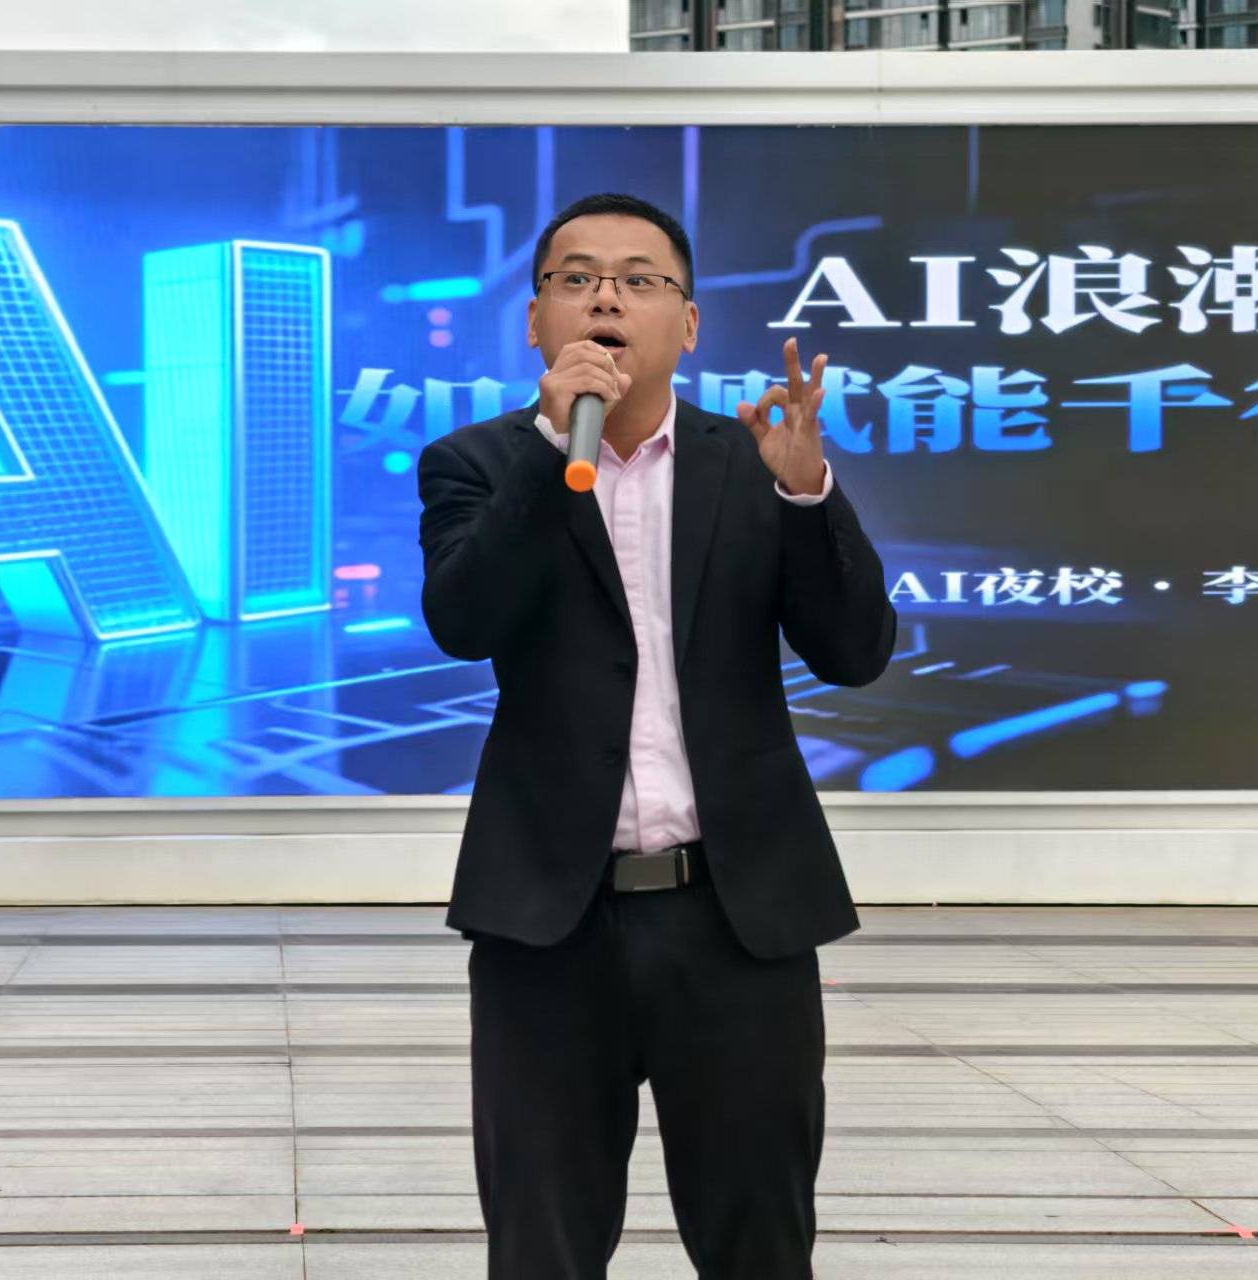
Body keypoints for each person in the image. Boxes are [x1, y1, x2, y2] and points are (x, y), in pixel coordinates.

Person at [416, 192, 897, 1279]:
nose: (605, 299)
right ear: (534, 319)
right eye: (575, 278)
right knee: (540, 1246)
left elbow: (855, 651)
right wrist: (553, 452)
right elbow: (463, 622)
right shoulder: (476, 464)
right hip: (549, 924)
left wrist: (808, 495)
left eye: (639, 280)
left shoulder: (755, 458)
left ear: (686, 322)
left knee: (759, 1243)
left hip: (736, 919)